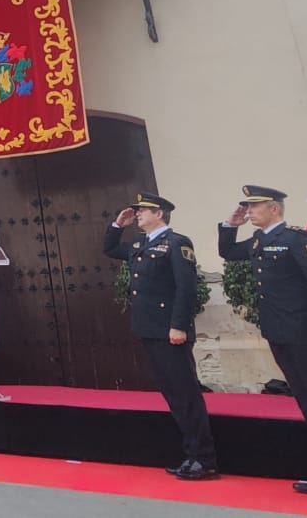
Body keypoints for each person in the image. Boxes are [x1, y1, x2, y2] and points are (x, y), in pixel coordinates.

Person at [220, 185, 307, 502]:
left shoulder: (295, 239)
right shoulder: (260, 240)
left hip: (305, 332)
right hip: (279, 332)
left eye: (254, 207)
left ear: (274, 209)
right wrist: (230, 225)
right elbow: (228, 253)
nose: (249, 211)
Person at [104, 192, 218, 481]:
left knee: (186, 394)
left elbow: (186, 288)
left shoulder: (177, 244)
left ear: (160, 214)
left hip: (170, 331)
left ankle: (203, 458)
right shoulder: (141, 243)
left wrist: (178, 326)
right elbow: (110, 249)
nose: (138, 214)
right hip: (149, 329)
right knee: (172, 394)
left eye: (143, 210)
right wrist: (117, 225)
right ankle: (191, 454)